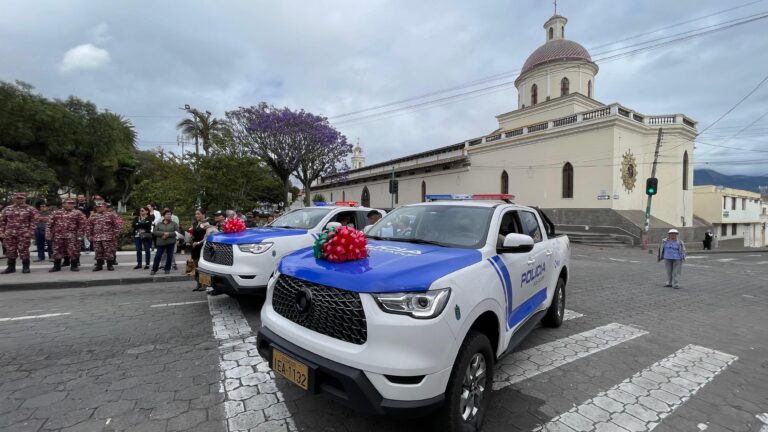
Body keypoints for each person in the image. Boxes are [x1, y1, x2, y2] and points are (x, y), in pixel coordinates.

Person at [0, 192, 39, 274]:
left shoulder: (31, 209)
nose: (19, 200)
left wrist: (30, 232)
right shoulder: (7, 209)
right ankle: (11, 267)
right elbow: (2, 221)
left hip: (23, 234)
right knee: (10, 250)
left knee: (24, 250)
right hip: (9, 234)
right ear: (13, 199)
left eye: (21, 198)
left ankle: (25, 267)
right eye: (17, 198)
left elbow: (35, 221)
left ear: (24, 199)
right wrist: (1, 232)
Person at [47, 198, 88, 272]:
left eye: (72, 203)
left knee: (73, 251)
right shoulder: (56, 212)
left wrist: (80, 234)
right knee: (57, 251)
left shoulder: (78, 213)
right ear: (63, 204)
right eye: (69, 203)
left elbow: (83, 224)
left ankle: (74, 266)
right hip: (58, 236)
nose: (71, 205)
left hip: (72, 236)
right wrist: (48, 234)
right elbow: (49, 224)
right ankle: (56, 266)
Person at [88, 202, 122, 271]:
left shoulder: (111, 215)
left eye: (100, 207)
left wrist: (115, 235)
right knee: (98, 252)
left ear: (105, 207)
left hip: (108, 237)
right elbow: (89, 226)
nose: (98, 208)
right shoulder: (93, 216)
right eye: (97, 207)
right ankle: (99, 265)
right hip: (97, 237)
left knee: (109, 251)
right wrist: (89, 236)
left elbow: (117, 225)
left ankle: (110, 265)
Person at [151, 210, 179, 275]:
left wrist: (168, 234)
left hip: (170, 242)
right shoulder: (159, 224)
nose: (169, 215)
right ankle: (154, 269)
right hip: (161, 242)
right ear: (164, 216)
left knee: (169, 256)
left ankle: (167, 269)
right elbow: (155, 232)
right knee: (158, 256)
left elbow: (177, 232)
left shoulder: (174, 223)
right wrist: (163, 233)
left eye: (170, 214)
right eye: (167, 214)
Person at [190, 209, 212, 291]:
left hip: (202, 246)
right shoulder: (194, 223)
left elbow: (207, 236)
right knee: (196, 266)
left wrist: (199, 242)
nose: (197, 215)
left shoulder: (207, 224)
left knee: (203, 266)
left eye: (198, 214)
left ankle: (205, 284)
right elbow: (193, 234)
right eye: (196, 214)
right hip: (194, 246)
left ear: (203, 214)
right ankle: (198, 284)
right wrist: (191, 237)